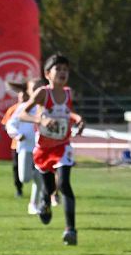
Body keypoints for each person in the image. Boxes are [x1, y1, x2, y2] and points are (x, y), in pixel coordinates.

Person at [18, 56, 85, 245]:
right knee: (49, 188)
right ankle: (45, 202)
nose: (63, 73)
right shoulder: (42, 93)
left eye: (66, 69)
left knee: (64, 184)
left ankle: (70, 230)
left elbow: (67, 113)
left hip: (63, 146)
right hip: (43, 149)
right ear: (48, 74)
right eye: (58, 69)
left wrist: (78, 119)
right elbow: (23, 114)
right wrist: (41, 120)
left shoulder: (68, 93)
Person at [5, 79, 44, 215]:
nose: (37, 91)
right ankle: (39, 177)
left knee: (39, 178)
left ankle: (34, 204)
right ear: (28, 91)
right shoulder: (23, 108)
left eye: (39, 88)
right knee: (24, 178)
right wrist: (17, 135)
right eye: (34, 89)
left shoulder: (46, 107)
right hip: (25, 147)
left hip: (41, 149)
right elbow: (10, 125)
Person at [0, 83, 27, 199]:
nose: (23, 98)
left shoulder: (34, 109)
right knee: (17, 167)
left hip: (32, 145)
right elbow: (5, 124)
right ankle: (19, 189)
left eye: (25, 95)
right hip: (17, 145)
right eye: (21, 96)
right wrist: (15, 133)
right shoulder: (13, 109)